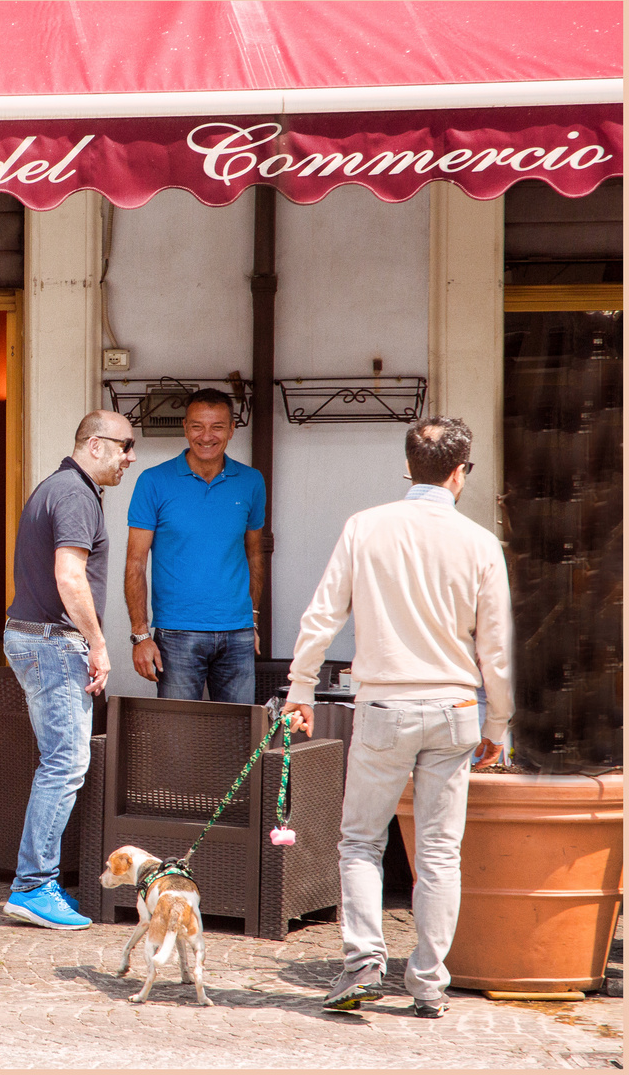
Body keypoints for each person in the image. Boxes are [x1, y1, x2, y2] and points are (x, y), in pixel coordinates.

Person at [282, 417, 511, 1018]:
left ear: (409, 466)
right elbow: (497, 648)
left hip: (384, 706)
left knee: (360, 841)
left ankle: (363, 960)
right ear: (460, 473)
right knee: (440, 852)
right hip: (457, 708)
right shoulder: (481, 543)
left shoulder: (366, 527)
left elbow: (320, 617)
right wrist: (500, 724)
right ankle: (429, 983)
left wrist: (300, 690)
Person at [1, 409, 135, 930]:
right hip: (55, 642)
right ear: (96, 444)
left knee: (58, 761)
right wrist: (98, 645)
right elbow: (69, 576)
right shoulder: (77, 493)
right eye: (124, 446)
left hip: (35, 638)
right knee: (65, 763)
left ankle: (35, 882)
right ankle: (34, 886)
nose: (129, 457)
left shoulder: (56, 487)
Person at [125, 388, 266, 704]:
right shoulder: (153, 481)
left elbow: (254, 552)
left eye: (217, 426)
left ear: (231, 429)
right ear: (185, 428)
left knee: (240, 736)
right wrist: (140, 635)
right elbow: (135, 561)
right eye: (197, 426)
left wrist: (252, 618)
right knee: (177, 736)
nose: (207, 436)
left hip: (238, 633)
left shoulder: (251, 481)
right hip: (177, 634)